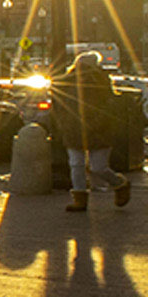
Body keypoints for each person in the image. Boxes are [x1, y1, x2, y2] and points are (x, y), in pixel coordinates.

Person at [52, 49, 128, 211]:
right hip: (74, 128)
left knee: (97, 167)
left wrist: (98, 122)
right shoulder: (67, 81)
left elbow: (109, 105)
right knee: (76, 164)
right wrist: (63, 123)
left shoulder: (100, 81)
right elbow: (58, 105)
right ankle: (80, 198)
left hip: (98, 129)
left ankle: (120, 184)